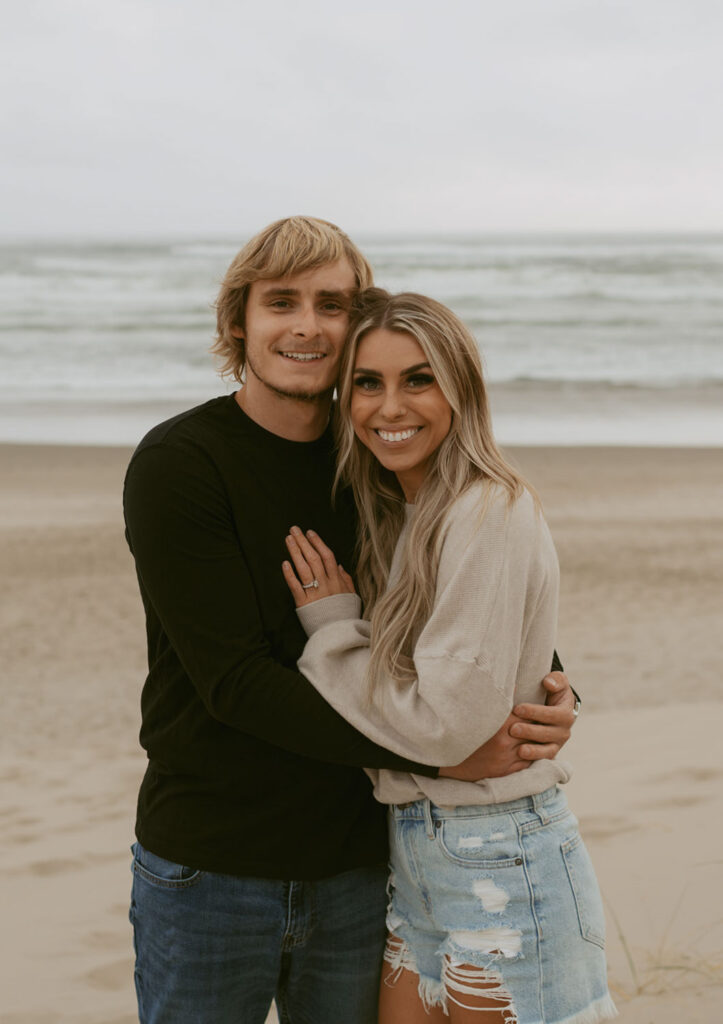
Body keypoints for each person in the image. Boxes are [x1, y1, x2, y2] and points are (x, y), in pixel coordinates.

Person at [123, 217, 579, 1024]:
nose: (305, 325)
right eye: (281, 303)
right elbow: (234, 683)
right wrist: (447, 757)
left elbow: (465, 592)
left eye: (331, 304)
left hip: (361, 862)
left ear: (353, 325)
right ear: (239, 321)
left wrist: (553, 688)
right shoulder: (179, 464)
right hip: (212, 862)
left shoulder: (372, 451)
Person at [281, 289, 616, 1023]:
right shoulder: (399, 514)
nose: (388, 407)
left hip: (501, 854)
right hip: (415, 855)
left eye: (418, 379)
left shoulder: (485, 509)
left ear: (460, 390)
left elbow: (445, 726)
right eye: (367, 383)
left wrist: (334, 629)